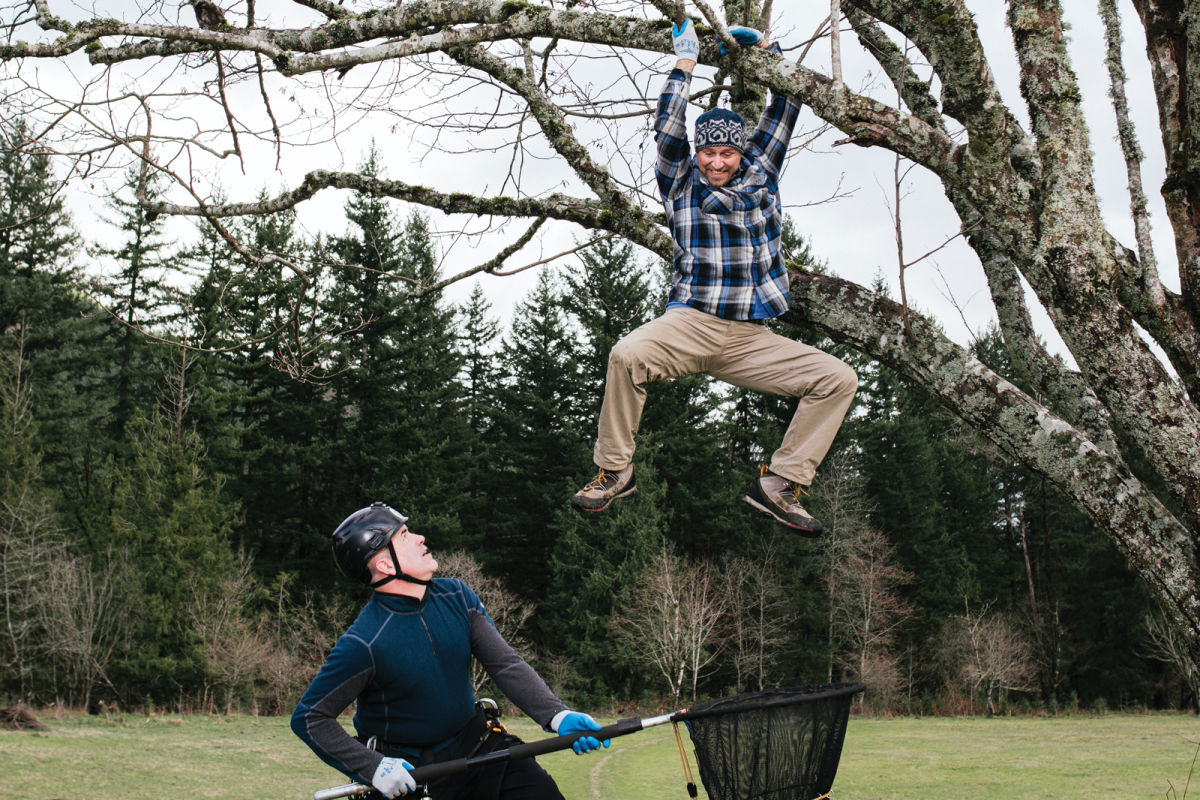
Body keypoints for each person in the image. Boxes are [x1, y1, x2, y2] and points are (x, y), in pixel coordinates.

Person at [570, 20, 857, 536]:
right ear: (698, 153)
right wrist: (684, 63)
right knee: (627, 355)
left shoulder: (762, 172)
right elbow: (668, 125)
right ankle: (615, 470)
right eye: (710, 153)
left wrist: (773, 53)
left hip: (751, 338)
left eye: (726, 153)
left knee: (837, 378)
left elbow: (785, 106)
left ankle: (779, 484)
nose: (717, 162)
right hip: (690, 325)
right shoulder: (679, 181)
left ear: (740, 152)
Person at [292, 502, 608, 799]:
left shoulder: (457, 596)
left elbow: (504, 665)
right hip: (413, 777)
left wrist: (557, 715)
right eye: (404, 536)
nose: (420, 538)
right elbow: (309, 717)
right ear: (386, 564)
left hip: (481, 747)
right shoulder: (364, 643)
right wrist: (372, 767)